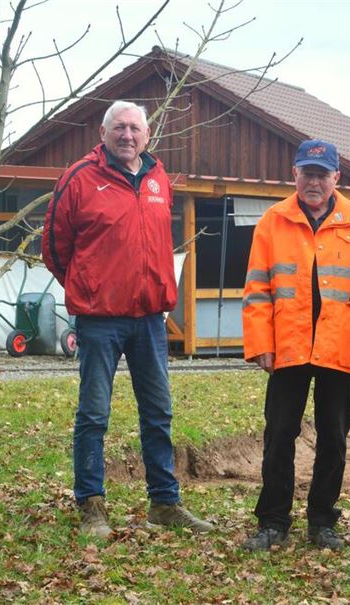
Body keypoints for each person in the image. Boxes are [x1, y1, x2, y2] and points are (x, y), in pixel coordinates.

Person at [42, 100, 214, 538]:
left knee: (158, 412)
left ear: (147, 135)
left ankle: (164, 503)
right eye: (118, 127)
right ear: (103, 133)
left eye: (135, 128)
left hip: (149, 318)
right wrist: (89, 284)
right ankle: (92, 505)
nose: (127, 135)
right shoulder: (79, 178)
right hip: (100, 319)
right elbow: (55, 248)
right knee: (94, 413)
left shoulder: (158, 178)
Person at [240, 139, 350, 551]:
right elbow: (256, 288)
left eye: (321, 174)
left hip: (339, 344)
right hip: (288, 346)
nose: (313, 181)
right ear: (295, 174)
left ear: (336, 178)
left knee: (334, 438)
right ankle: (272, 521)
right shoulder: (272, 221)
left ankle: (322, 521)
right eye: (306, 173)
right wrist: (261, 343)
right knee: (279, 435)